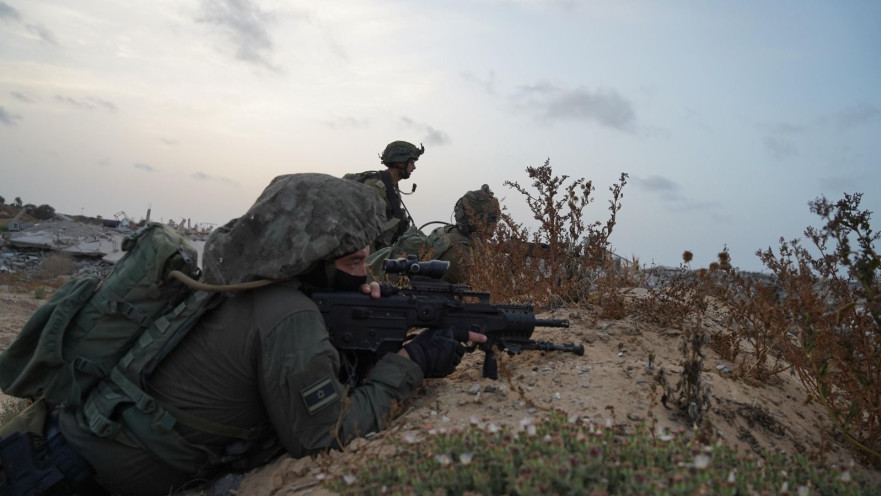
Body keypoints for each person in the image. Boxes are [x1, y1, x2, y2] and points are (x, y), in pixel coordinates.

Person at [3, 174, 484, 496]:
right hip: (59, 480)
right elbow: (326, 435)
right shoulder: (291, 314)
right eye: (355, 262)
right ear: (313, 258)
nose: (365, 274)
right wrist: (413, 361)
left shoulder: (240, 281)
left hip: (51, 443)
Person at [366, 185, 501, 285]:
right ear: (474, 219)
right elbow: (482, 290)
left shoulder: (448, 231)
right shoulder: (459, 254)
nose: (496, 224)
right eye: (493, 219)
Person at [344, 140, 424, 251]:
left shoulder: (391, 187)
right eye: (411, 162)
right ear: (400, 162)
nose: (414, 167)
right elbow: (361, 228)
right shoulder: (376, 187)